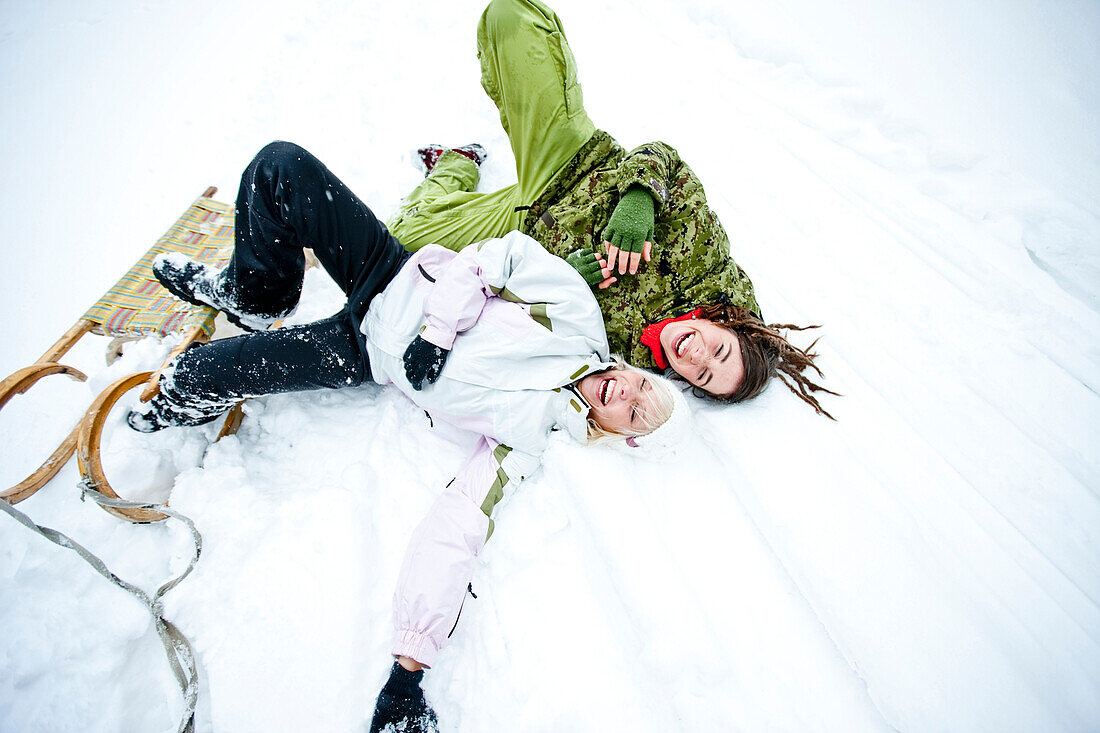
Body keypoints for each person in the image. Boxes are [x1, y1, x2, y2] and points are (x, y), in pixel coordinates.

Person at [128, 141, 687, 733]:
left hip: (365, 352)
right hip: (392, 273)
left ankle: (166, 405)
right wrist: (440, 331)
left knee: (200, 374)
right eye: (642, 388)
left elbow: (459, 525)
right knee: (281, 166)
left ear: (621, 435)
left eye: (635, 414)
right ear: (637, 371)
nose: (627, 396)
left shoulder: (529, 440)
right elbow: (497, 260)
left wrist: (408, 670)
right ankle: (255, 293)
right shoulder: (576, 321)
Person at [387, 0, 837, 418]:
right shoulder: (706, 267)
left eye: (702, 376)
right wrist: (637, 202)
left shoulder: (635, 367)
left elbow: (536, 327)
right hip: (569, 163)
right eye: (719, 352)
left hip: (522, 229)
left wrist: (557, 277)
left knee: (398, 244)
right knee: (511, 19)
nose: (697, 357)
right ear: (727, 325)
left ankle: (456, 163)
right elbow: (664, 158)